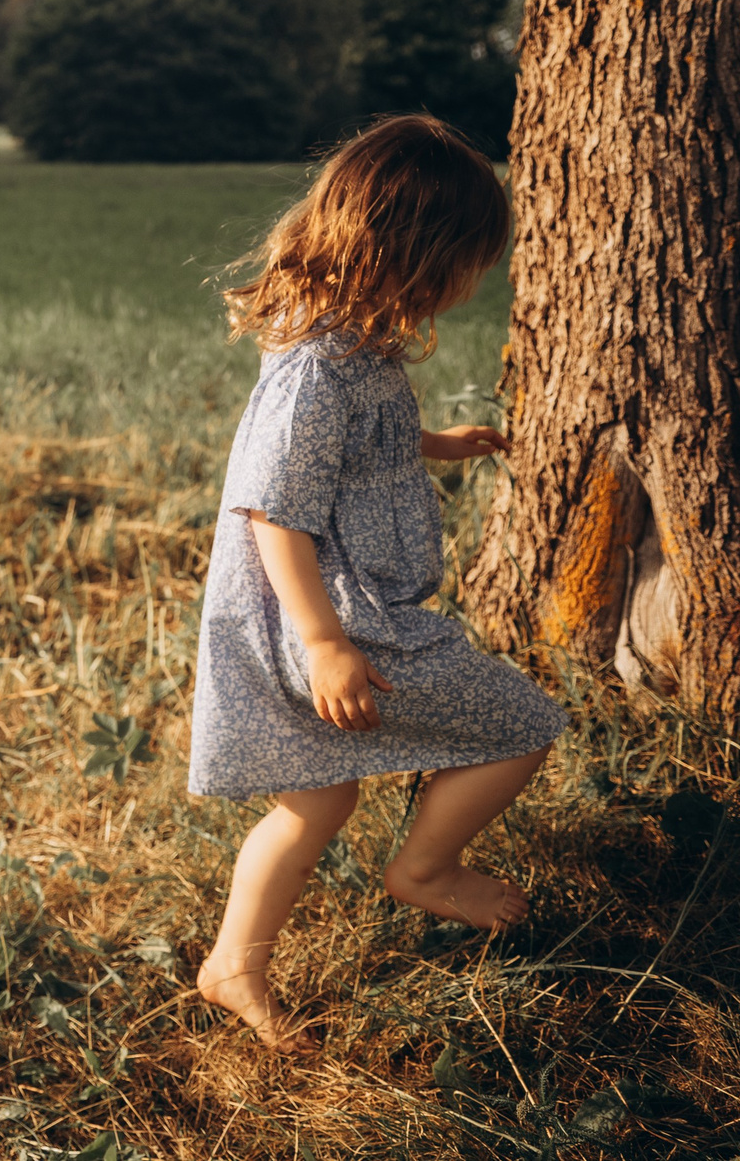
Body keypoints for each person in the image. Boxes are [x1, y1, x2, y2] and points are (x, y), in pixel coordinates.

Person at [185, 114, 566, 1053]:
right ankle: (428, 869)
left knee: (316, 799)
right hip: (335, 619)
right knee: (522, 723)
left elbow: (349, 453)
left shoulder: (351, 345)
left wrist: (435, 443)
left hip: (343, 612)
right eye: (465, 265)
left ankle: (232, 963)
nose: (469, 286)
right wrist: (325, 643)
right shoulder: (317, 366)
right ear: (414, 256)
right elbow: (275, 510)